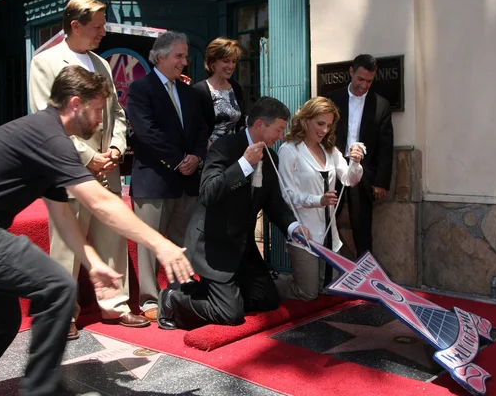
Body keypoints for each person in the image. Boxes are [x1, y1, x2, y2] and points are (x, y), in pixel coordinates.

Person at [0, 65, 194, 396]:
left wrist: (93, 261)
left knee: (1, 322)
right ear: (74, 104)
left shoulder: (50, 138)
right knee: (56, 284)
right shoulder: (48, 136)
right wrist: (161, 244)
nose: (100, 120)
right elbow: (99, 202)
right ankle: (42, 390)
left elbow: (62, 213)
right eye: (98, 110)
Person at [29, 0, 149, 337]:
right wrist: (85, 155)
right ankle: (62, 314)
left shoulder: (102, 63)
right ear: (75, 25)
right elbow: (45, 118)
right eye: (97, 26)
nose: (103, 32)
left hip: (107, 169)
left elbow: (118, 114)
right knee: (67, 246)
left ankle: (116, 306)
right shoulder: (45, 62)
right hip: (69, 169)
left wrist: (115, 147)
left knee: (111, 238)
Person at [156, 96, 310, 331]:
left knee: (267, 301)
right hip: (213, 245)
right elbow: (208, 193)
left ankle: (216, 294)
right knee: (231, 314)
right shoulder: (225, 147)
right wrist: (243, 165)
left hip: (242, 247)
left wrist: (293, 227)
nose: (280, 136)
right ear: (260, 125)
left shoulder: (271, 157)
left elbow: (274, 202)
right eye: (278, 130)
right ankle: (173, 300)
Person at [126, 31, 208, 321]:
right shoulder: (140, 89)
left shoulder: (188, 92)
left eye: (185, 56)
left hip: (186, 181)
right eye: (179, 56)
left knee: (181, 240)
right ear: (160, 57)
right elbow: (145, 132)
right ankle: (149, 300)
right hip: (154, 179)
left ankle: (179, 293)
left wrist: (196, 157)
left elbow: (200, 129)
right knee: (149, 242)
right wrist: (177, 161)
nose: (184, 62)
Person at [275, 97, 364, 300]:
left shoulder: (330, 150)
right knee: (307, 293)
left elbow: (350, 180)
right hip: (305, 233)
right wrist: (318, 200)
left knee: (327, 291)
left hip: (330, 235)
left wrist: (356, 162)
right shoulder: (289, 150)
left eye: (328, 125)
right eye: (320, 123)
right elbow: (286, 195)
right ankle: (268, 283)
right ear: (306, 120)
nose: (324, 130)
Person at [325, 54, 394, 257]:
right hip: (333, 168)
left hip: (362, 173)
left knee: (362, 227)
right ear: (351, 73)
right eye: (360, 79)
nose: (364, 85)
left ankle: (365, 276)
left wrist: (381, 181)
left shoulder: (380, 105)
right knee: (326, 222)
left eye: (369, 81)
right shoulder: (332, 99)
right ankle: (323, 273)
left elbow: (385, 146)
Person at [193, 37, 246, 146]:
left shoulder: (236, 87)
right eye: (226, 61)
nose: (231, 66)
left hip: (235, 150)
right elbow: (196, 129)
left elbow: (241, 123)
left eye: (234, 61)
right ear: (212, 62)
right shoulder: (199, 90)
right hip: (211, 154)